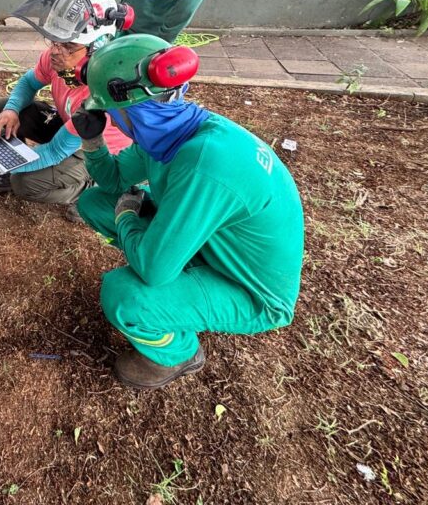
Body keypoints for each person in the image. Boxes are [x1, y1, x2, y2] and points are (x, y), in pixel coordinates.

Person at [70, 34, 304, 390]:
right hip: (214, 246)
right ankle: (180, 277)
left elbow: (153, 270)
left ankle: (178, 353)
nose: (112, 122)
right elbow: (113, 181)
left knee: (124, 295)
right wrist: (92, 140)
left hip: (250, 292)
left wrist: (127, 218)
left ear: (129, 111)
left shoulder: (203, 163)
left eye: (109, 114)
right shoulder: (170, 132)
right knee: (92, 202)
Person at [0, 0, 131, 222]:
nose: (56, 51)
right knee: (2, 108)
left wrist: (4, 164)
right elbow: (28, 83)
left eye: (69, 45)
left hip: (96, 149)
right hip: (69, 127)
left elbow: (55, 151)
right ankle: (16, 167)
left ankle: (94, 187)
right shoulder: (59, 56)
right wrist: (11, 110)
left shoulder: (98, 91)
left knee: (24, 184)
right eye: (54, 41)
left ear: (98, 45)